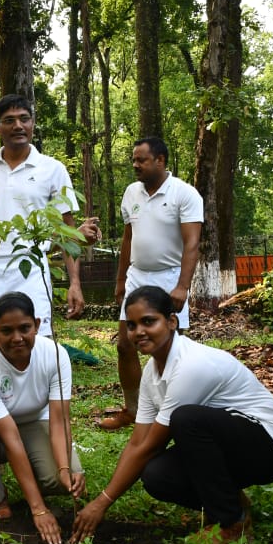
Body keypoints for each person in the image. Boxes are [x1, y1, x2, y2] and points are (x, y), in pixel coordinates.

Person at [70, 286, 273, 544]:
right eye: (131, 325)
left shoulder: (192, 365)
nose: (139, 332)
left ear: (171, 322)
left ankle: (232, 524)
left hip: (269, 446)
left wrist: (102, 503)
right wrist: (102, 500)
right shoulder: (152, 372)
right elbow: (137, 443)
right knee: (156, 475)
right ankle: (234, 504)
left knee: (186, 419)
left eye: (148, 321)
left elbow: (152, 444)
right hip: (233, 445)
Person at [0, 94, 100, 353]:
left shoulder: (52, 169)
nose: (18, 126)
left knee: (33, 356)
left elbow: (67, 230)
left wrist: (75, 283)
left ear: (33, 123)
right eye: (9, 120)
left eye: (24, 119)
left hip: (32, 270)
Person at [0, 292, 86, 544]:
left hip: (34, 422)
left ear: (37, 325)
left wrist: (63, 469)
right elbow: (10, 436)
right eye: (7, 330)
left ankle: (37, 473)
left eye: (25, 328)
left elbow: (59, 420)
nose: (17, 338)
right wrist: (38, 509)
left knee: (64, 481)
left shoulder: (55, 355)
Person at [99, 136, 203, 431]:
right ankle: (132, 410)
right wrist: (120, 279)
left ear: (160, 160)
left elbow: (192, 243)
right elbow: (128, 237)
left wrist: (183, 286)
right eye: (134, 159)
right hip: (137, 276)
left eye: (141, 160)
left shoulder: (185, 193)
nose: (135, 165)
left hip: (169, 277)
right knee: (124, 345)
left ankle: (171, 412)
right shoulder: (131, 193)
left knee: (171, 349)